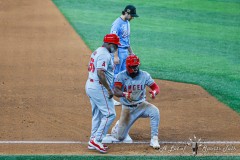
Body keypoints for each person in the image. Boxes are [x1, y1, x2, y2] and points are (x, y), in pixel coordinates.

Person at [111, 55, 161, 149]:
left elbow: (155, 87)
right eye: (133, 67)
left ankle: (154, 139)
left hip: (142, 105)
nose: (136, 68)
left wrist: (154, 92)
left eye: (136, 66)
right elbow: (115, 91)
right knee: (120, 137)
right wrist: (124, 94)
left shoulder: (144, 75)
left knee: (155, 111)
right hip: (128, 109)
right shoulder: (121, 76)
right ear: (128, 67)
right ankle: (118, 126)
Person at [85, 33, 121, 153]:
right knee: (110, 114)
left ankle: (92, 140)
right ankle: (97, 139)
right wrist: (109, 89)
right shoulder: (104, 54)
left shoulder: (97, 51)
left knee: (98, 115)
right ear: (110, 43)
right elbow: (100, 73)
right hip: (99, 87)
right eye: (115, 45)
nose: (116, 48)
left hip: (91, 85)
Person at [110, 5, 139, 106]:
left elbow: (126, 40)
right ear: (126, 13)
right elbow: (113, 41)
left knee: (123, 74)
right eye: (132, 15)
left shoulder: (127, 22)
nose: (133, 18)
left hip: (125, 52)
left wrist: (131, 52)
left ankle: (122, 95)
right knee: (115, 75)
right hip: (118, 51)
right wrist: (115, 56)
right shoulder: (117, 24)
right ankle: (110, 97)